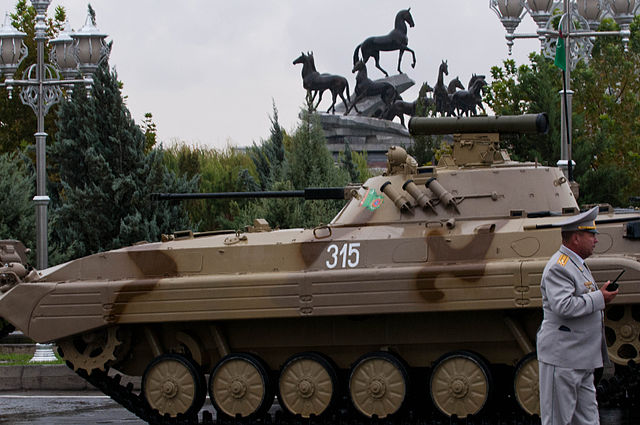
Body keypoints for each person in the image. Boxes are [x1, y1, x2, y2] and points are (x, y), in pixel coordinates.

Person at [536, 206, 618, 425]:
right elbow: (563, 306)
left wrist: (599, 297)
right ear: (575, 237)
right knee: (556, 420)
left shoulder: (576, 265)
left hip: (580, 359)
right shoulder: (559, 267)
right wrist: (600, 298)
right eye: (591, 234)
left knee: (588, 420)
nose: (596, 240)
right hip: (563, 359)